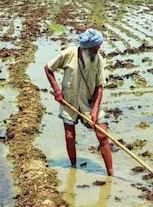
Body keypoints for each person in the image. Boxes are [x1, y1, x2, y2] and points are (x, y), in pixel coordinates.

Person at [44, 28, 113, 176]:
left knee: (103, 136)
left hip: (89, 103)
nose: (98, 50)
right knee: (69, 136)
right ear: (86, 48)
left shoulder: (98, 60)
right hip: (69, 102)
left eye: (98, 47)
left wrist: (94, 111)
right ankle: (73, 169)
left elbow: (100, 87)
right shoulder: (69, 54)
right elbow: (48, 68)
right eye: (95, 48)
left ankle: (111, 174)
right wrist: (57, 90)